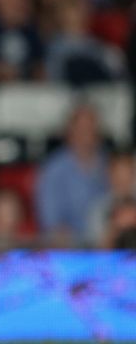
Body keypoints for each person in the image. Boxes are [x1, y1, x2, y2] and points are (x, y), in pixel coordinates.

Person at [35, 103, 109, 245]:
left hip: (108, 245)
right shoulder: (53, 169)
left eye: (91, 127)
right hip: (69, 248)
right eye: (81, 128)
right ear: (69, 131)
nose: (86, 133)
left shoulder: (110, 164)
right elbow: (50, 223)